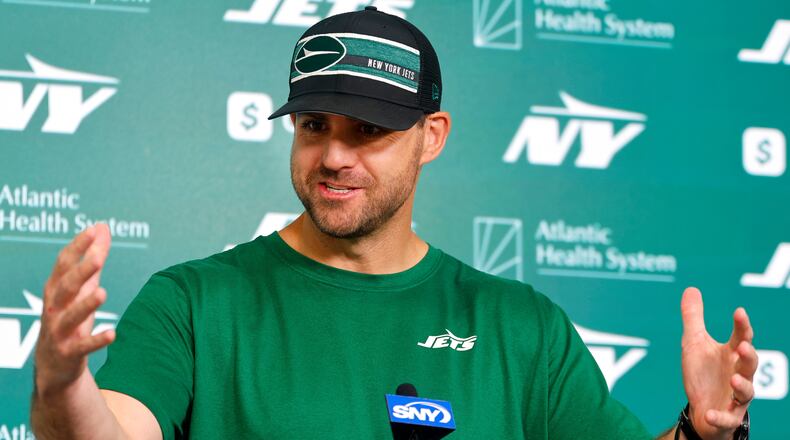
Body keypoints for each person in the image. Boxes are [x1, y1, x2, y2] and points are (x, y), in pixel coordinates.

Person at [31, 6, 757, 440]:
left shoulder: (520, 326)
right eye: (314, 125)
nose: (333, 155)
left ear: (431, 137)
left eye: (369, 130)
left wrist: (702, 430)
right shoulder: (193, 303)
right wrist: (62, 388)